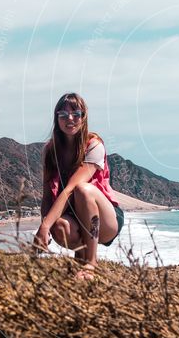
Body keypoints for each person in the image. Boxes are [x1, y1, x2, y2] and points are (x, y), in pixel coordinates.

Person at [34, 92, 124, 280]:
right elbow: (47, 196)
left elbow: (70, 189)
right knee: (59, 227)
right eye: (63, 115)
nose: (70, 119)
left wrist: (43, 227)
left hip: (106, 219)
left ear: (84, 117)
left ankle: (91, 263)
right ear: (56, 118)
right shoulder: (50, 151)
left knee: (81, 189)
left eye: (76, 114)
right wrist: (46, 229)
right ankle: (80, 256)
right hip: (75, 216)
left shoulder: (94, 145)